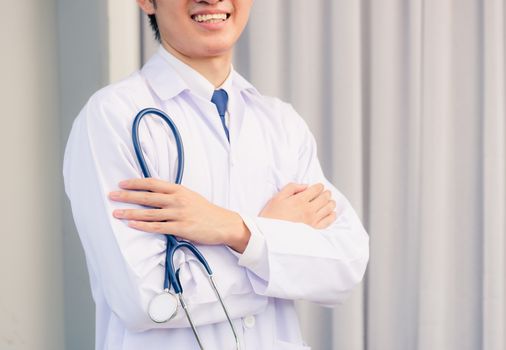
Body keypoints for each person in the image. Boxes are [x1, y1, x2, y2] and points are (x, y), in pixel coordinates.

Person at [63, 0, 369, 349]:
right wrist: (273, 252)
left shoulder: (281, 123)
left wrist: (235, 229)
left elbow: (343, 267)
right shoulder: (112, 118)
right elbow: (148, 301)